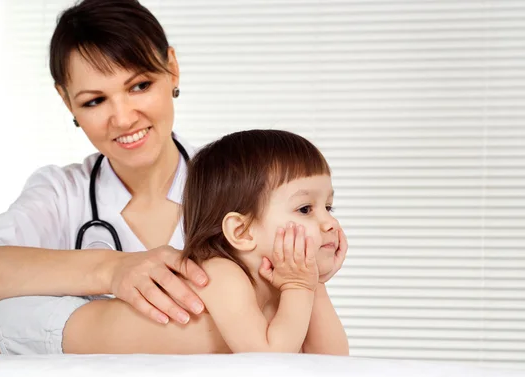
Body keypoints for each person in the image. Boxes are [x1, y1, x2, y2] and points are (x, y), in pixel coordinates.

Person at [0, 0, 344, 355]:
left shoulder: (241, 183)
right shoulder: (60, 193)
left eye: (139, 86)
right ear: (66, 100)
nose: (123, 118)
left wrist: (309, 279)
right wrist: (111, 269)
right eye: (94, 101)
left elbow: (307, 355)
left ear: (172, 69)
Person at [63, 129, 349, 354]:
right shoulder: (222, 274)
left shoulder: (287, 282)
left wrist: (315, 283)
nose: (329, 223)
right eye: (305, 209)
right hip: (56, 329)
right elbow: (268, 358)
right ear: (242, 232)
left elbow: (330, 361)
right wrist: (300, 286)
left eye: (329, 207)